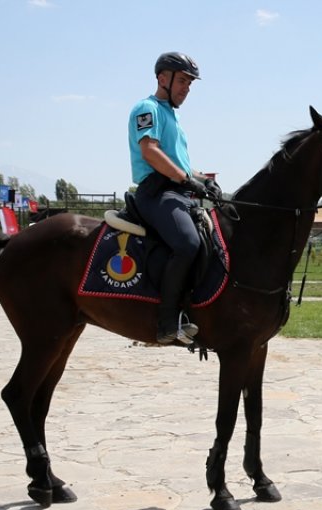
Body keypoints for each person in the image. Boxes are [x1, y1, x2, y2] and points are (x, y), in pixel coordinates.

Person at [129, 51, 215, 344]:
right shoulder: (147, 108)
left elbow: (181, 163)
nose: (185, 89)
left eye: (189, 84)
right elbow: (150, 151)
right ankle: (167, 322)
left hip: (177, 192)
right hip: (156, 192)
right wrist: (187, 179)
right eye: (181, 81)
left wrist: (203, 180)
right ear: (162, 78)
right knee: (188, 243)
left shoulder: (172, 117)